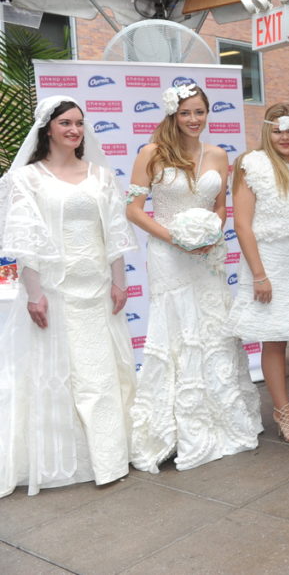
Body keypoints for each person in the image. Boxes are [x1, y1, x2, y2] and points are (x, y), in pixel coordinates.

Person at [0, 96, 137, 497]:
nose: (75, 130)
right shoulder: (26, 179)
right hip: (54, 292)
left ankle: (109, 456)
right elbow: (25, 240)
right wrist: (35, 293)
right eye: (65, 123)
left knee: (99, 372)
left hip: (95, 290)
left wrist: (119, 281)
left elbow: (113, 233)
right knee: (57, 371)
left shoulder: (100, 175)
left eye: (79, 123)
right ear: (48, 129)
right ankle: (63, 459)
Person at [127, 83, 262, 472]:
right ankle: (174, 430)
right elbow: (134, 210)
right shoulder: (151, 153)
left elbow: (220, 206)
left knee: (212, 330)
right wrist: (177, 239)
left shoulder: (219, 155)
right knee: (178, 330)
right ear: (173, 114)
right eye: (186, 112)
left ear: (207, 113)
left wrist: (211, 233)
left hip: (208, 255)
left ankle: (223, 422)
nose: (193, 119)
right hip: (168, 254)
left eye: (200, 112)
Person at [227, 103, 289, 443]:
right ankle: (283, 411)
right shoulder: (250, 164)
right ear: (268, 131)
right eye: (278, 130)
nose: (285, 137)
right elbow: (241, 224)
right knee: (275, 339)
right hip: (267, 262)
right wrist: (259, 274)